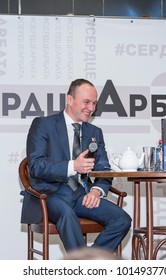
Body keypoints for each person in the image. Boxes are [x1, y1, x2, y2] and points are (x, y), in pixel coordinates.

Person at [21, 78, 131, 253]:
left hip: (82, 194)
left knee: (122, 219)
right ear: (70, 99)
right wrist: (73, 166)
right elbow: (36, 166)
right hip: (50, 194)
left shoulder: (95, 132)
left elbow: (104, 169)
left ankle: (86, 263)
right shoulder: (43, 125)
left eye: (94, 103)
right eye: (86, 102)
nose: (91, 108)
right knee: (67, 215)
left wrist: (96, 191)